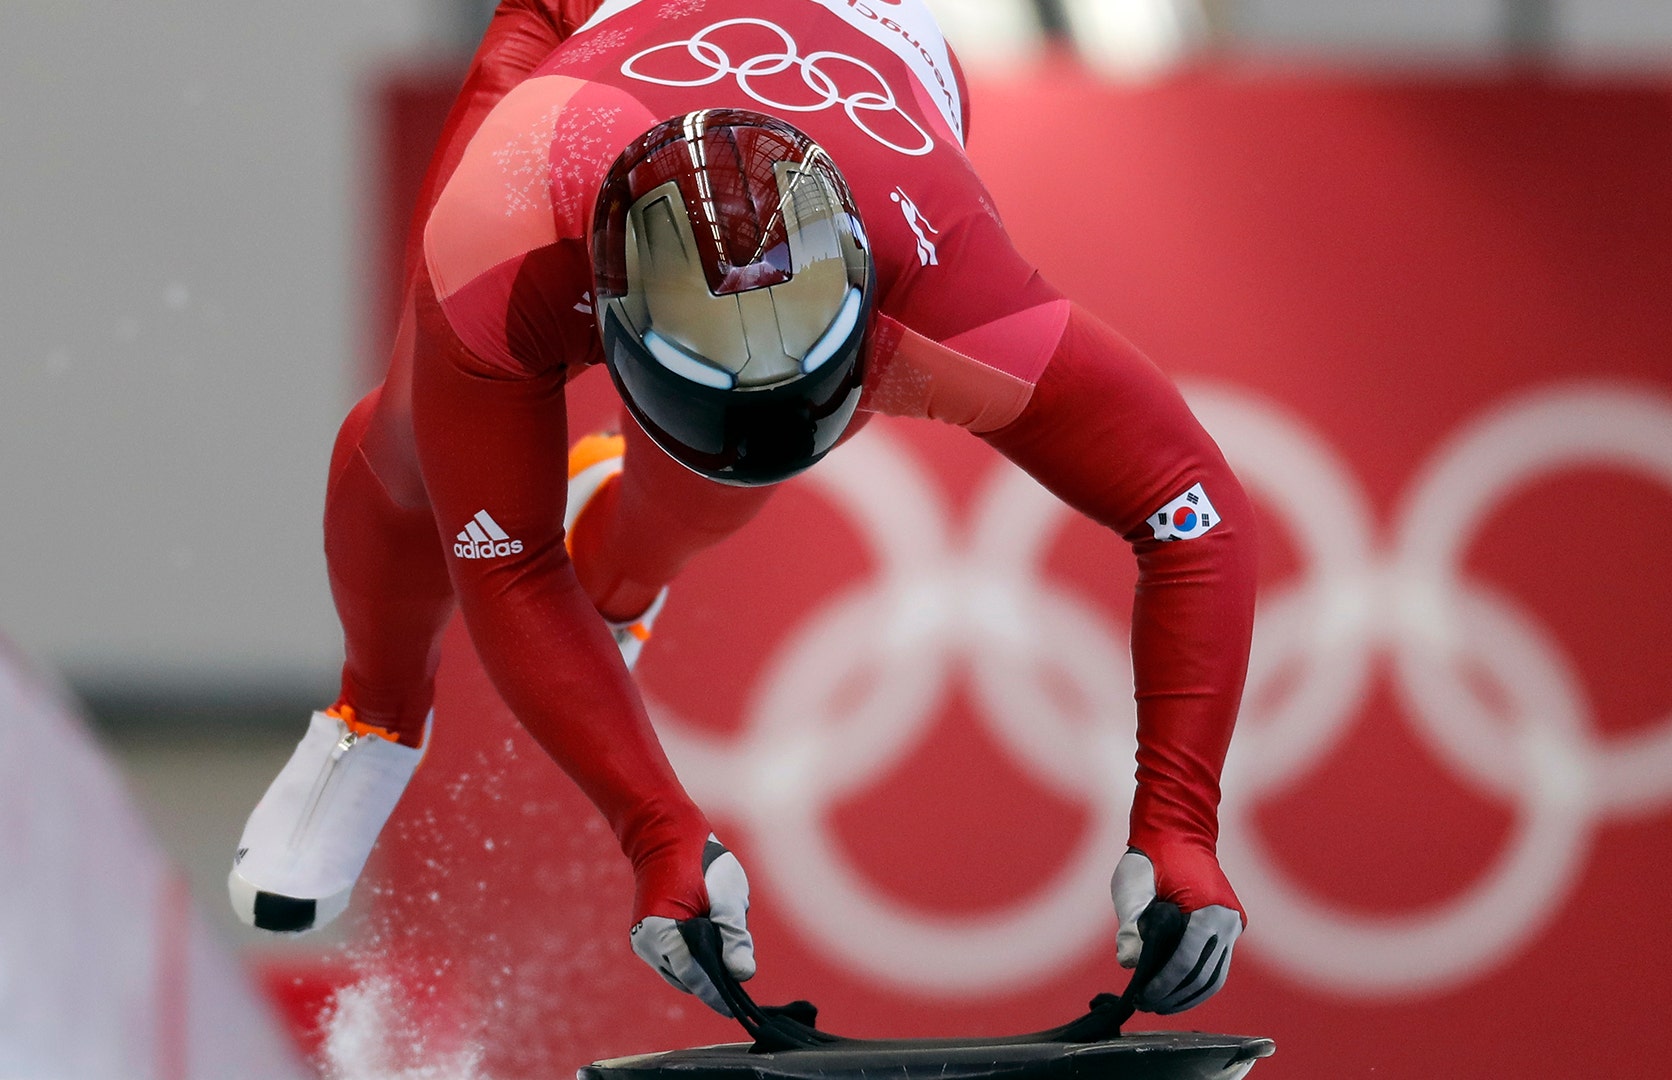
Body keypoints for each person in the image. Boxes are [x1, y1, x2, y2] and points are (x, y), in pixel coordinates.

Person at [230, 0, 1256, 1018]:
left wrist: (1179, 827)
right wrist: (657, 830)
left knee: (696, 500)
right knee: (417, 443)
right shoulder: (503, 226)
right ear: (607, 310)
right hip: (571, 38)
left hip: (848, 94)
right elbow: (509, 563)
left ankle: (626, 570)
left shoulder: (954, 285)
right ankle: (374, 714)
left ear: (864, 307)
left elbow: (1192, 509)